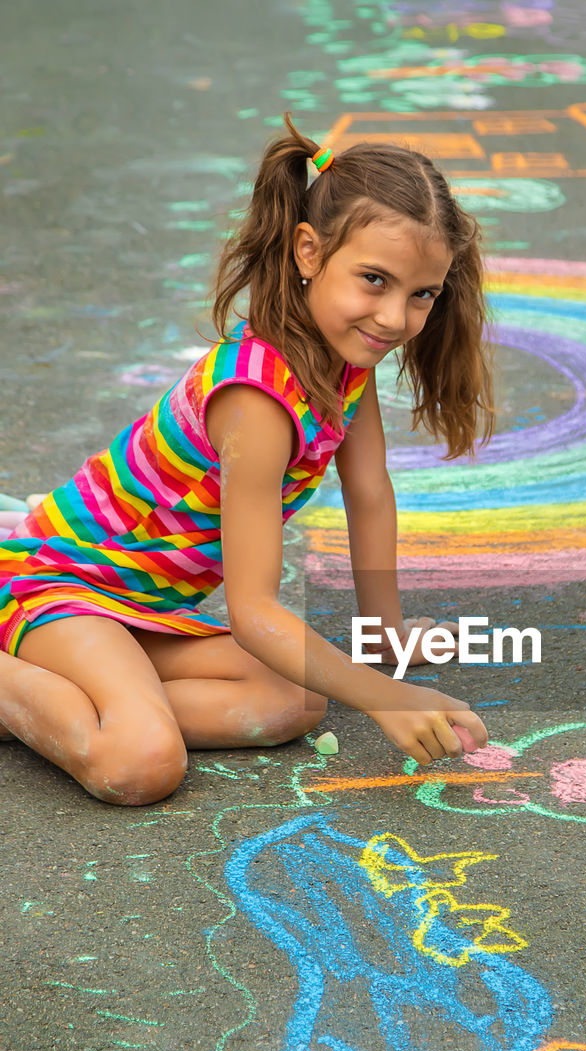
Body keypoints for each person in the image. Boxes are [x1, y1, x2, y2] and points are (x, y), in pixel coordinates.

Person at [0, 115, 494, 805]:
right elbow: (254, 609)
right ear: (308, 251)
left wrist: (386, 641)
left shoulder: (343, 364)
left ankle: (88, 694)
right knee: (140, 764)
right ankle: (47, 691)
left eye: (422, 294)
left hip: (141, 607)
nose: (394, 318)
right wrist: (386, 695)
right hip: (60, 587)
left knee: (293, 701)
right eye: (374, 280)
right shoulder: (256, 399)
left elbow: (370, 491)